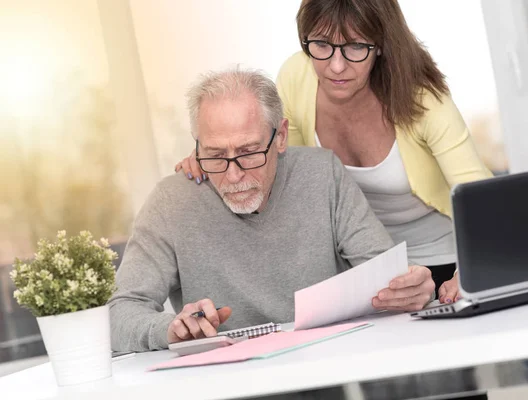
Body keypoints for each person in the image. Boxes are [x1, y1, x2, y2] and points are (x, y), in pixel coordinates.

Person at [175, 0, 493, 305]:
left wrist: (470, 272)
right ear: (305, 40)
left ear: (380, 44)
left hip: (442, 262)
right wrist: (215, 155)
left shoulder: (422, 100)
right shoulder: (296, 76)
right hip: (356, 268)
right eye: (322, 45)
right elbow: (286, 172)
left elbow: (481, 200)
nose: (336, 66)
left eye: (356, 46)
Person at [109, 68, 435, 352]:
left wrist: (412, 289)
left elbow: (386, 277)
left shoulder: (322, 174)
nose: (233, 175)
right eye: (215, 155)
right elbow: (119, 312)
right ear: (197, 145)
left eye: (249, 152)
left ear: (280, 137)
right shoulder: (172, 201)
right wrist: (169, 330)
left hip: (330, 371)